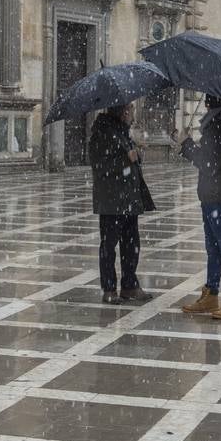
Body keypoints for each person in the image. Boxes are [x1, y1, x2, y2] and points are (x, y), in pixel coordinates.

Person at [176, 94, 221, 320]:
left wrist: (186, 144)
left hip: (217, 195)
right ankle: (211, 293)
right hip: (218, 194)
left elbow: (208, 164)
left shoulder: (218, 127)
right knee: (214, 248)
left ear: (208, 104)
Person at [89, 104, 155, 304]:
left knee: (131, 245)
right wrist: (126, 159)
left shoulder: (122, 131)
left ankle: (129, 286)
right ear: (124, 112)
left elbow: (129, 158)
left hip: (128, 199)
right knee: (109, 246)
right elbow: (99, 165)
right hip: (112, 200)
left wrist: (136, 152)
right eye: (131, 110)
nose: (133, 114)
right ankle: (109, 289)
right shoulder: (102, 132)